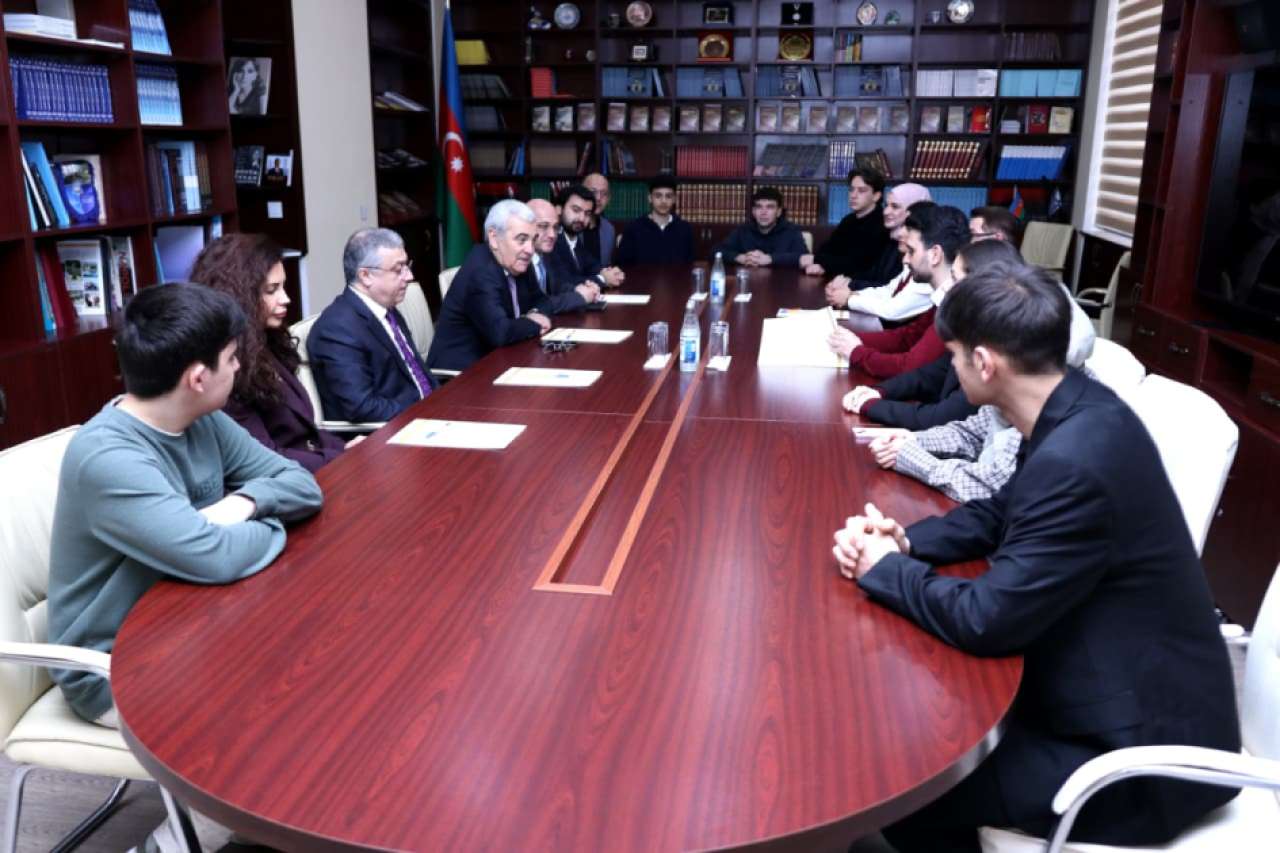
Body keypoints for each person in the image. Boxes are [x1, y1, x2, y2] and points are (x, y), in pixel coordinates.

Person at [832, 264, 1240, 852]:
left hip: (1138, 754)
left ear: (984, 363)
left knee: (913, 788)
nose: (950, 368)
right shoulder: (1076, 407)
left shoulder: (1076, 458)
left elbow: (987, 619)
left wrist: (884, 570)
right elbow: (1001, 511)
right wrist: (907, 542)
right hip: (1102, 685)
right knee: (913, 733)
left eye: (953, 356)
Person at [48, 283, 323, 728]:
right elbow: (214, 556)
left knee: (318, 648)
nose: (238, 367)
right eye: (231, 358)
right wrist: (272, 522)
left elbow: (301, 485)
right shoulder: (108, 457)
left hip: (195, 618)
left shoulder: (203, 420)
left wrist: (244, 504)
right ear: (198, 378)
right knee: (287, 700)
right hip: (116, 666)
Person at [190, 233, 350, 472]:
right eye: (272, 290)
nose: (286, 299)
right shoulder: (225, 368)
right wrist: (338, 457)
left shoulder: (266, 342)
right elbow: (264, 457)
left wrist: (345, 448)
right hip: (284, 479)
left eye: (283, 287)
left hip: (310, 469)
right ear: (240, 295)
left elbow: (307, 433)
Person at [847, 239, 1025, 430]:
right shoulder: (972, 330)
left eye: (954, 278)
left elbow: (941, 418)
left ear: (982, 287)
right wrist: (880, 391)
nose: (946, 286)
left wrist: (870, 405)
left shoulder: (996, 348)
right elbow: (931, 375)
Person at [308, 228, 436, 423]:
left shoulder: (386, 308)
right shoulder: (337, 329)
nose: (409, 276)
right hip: (388, 431)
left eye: (407, 266)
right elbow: (363, 407)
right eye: (398, 269)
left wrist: (441, 403)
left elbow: (418, 373)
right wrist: (421, 412)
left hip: (424, 415)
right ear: (366, 276)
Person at [828, 205, 970, 379]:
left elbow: (908, 367)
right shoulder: (941, 299)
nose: (905, 260)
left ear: (935, 255)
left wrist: (856, 352)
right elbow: (906, 338)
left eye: (911, 251)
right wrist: (846, 338)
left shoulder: (954, 308)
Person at [427, 199, 552, 372]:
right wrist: (533, 323)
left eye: (533, 240)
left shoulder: (518, 261)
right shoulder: (480, 271)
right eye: (522, 239)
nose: (530, 249)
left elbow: (543, 301)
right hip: (462, 374)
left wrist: (534, 312)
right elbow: (501, 332)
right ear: (493, 238)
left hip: (501, 359)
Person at [825, 183, 933, 311]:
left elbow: (894, 301)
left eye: (895, 207)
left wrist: (850, 292)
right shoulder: (891, 238)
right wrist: (848, 283)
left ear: (914, 213)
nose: (886, 211)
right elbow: (882, 282)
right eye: (886, 205)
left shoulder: (922, 252)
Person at [801, 168, 891, 278]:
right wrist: (823, 264)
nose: (853, 195)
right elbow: (827, 249)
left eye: (861, 190)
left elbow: (859, 264)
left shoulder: (883, 224)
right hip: (837, 280)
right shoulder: (849, 220)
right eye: (851, 189)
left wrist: (819, 262)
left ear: (876, 196)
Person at [523, 198, 602, 313]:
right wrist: (579, 297)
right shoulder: (521, 260)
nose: (552, 235)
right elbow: (537, 305)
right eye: (544, 226)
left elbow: (557, 286)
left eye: (555, 227)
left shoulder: (546, 255)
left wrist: (579, 289)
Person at [550, 184, 625, 288]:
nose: (582, 218)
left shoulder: (574, 238)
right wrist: (603, 279)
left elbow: (590, 265)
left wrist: (608, 272)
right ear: (559, 209)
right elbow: (564, 282)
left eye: (587, 213)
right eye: (576, 210)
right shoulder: (551, 240)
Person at [715, 187, 808, 268]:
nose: (763, 212)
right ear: (753, 211)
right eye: (759, 207)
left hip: (781, 281)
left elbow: (805, 257)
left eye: (770, 207)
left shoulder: (791, 230)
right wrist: (740, 258)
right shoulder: (743, 229)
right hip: (749, 280)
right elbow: (716, 251)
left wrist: (770, 259)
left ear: (779, 212)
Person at [614, 177, 695, 266]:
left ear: (674, 199)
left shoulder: (685, 229)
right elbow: (623, 266)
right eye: (658, 196)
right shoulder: (633, 229)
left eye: (668, 196)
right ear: (650, 198)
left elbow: (689, 266)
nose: (663, 201)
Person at [582, 172, 616, 266]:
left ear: (608, 199)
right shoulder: (569, 226)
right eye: (593, 192)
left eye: (604, 194)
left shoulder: (609, 230)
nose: (598, 198)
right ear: (580, 194)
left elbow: (606, 265)